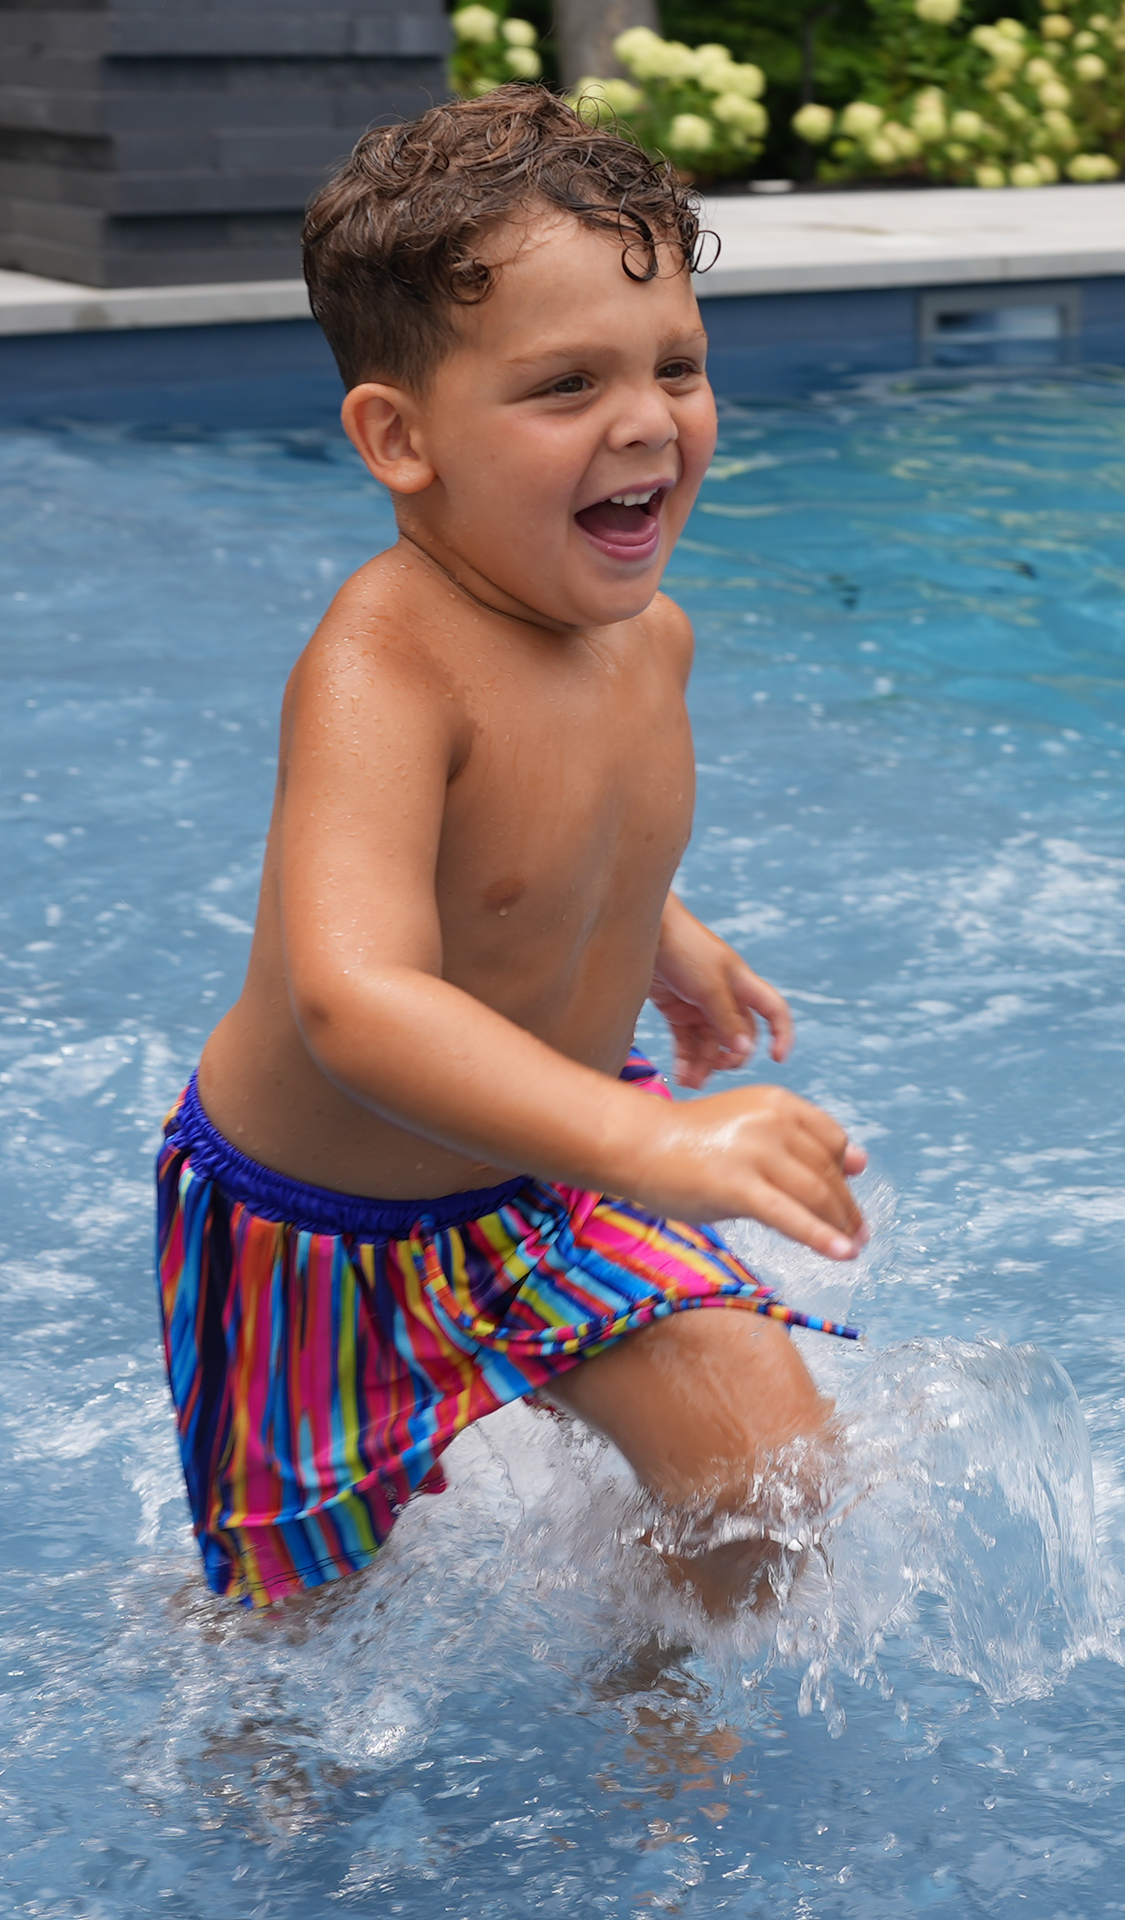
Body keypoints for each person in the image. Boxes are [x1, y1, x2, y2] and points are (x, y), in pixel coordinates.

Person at [155, 85, 868, 1613]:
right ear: (398, 438)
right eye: (564, 385)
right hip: (318, 1233)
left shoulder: (647, 639)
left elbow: (569, 829)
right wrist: (656, 1140)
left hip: (551, 1174)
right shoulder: (382, 666)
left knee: (773, 1477)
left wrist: (664, 932)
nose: (646, 421)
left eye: (675, 363)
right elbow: (356, 1000)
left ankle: (664, 1737)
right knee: (289, 1638)